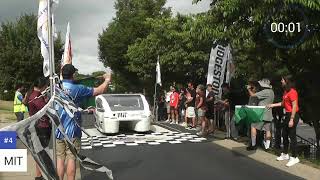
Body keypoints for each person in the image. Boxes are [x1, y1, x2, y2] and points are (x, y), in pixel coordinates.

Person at [56, 64, 112, 180]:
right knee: (71, 158)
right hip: (73, 130)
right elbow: (99, 90)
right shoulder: (78, 88)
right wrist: (107, 80)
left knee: (60, 158)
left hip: (58, 128)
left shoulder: (56, 88)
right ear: (73, 74)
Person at [267, 75, 300, 167]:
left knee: (292, 136)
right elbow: (283, 103)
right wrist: (272, 105)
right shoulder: (286, 91)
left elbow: (294, 106)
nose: (281, 81)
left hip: (293, 115)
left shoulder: (293, 92)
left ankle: (295, 157)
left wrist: (292, 119)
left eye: (282, 80)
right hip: (287, 115)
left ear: (287, 81)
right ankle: (285, 154)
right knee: (284, 135)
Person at [27, 77, 51, 180]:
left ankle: (39, 174)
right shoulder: (36, 98)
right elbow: (45, 110)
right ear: (43, 86)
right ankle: (39, 175)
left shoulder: (32, 95)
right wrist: (47, 102)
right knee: (41, 152)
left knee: (39, 151)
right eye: (46, 85)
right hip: (41, 127)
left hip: (36, 126)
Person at [246, 79, 275, 151]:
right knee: (267, 130)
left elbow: (252, 95)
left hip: (261, 112)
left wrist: (249, 89)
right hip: (269, 113)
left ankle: (253, 145)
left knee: (253, 126)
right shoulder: (272, 92)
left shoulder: (264, 92)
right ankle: (267, 147)